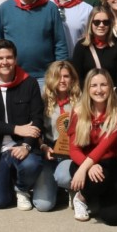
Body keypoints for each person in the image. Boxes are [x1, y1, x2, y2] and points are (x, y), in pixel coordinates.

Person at [0, 39, 44, 210]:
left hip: (21, 146)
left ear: (15, 59)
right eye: (0, 58)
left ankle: (21, 189)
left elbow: (37, 119)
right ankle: (8, 181)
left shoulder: (29, 83)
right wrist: (16, 129)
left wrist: (27, 145)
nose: (5, 62)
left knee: (31, 164)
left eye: (9, 57)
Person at [68, 69, 117, 224]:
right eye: (94, 85)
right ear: (87, 89)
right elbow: (73, 149)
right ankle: (81, 198)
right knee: (98, 179)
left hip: (112, 163)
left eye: (103, 85)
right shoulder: (78, 111)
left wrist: (86, 168)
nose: (99, 90)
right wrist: (86, 167)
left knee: (114, 218)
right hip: (83, 162)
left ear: (111, 87)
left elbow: (104, 146)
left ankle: (96, 197)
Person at [0, 0, 69, 86]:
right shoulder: (5, 9)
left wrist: (61, 72)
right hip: (13, 76)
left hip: (45, 76)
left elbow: (60, 43)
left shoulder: (50, 8)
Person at [33, 60, 79, 210]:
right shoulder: (42, 99)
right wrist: (43, 146)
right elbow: (36, 128)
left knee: (63, 177)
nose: (62, 80)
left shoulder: (81, 100)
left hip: (72, 152)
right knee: (43, 205)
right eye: (58, 76)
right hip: (49, 151)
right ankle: (56, 190)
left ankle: (72, 188)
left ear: (72, 79)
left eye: (66, 76)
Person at [70, 7, 117, 97]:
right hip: (87, 98)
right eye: (97, 22)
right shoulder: (81, 46)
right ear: (91, 23)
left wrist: (115, 98)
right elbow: (77, 77)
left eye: (105, 22)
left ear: (110, 24)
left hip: (113, 97)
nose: (101, 25)